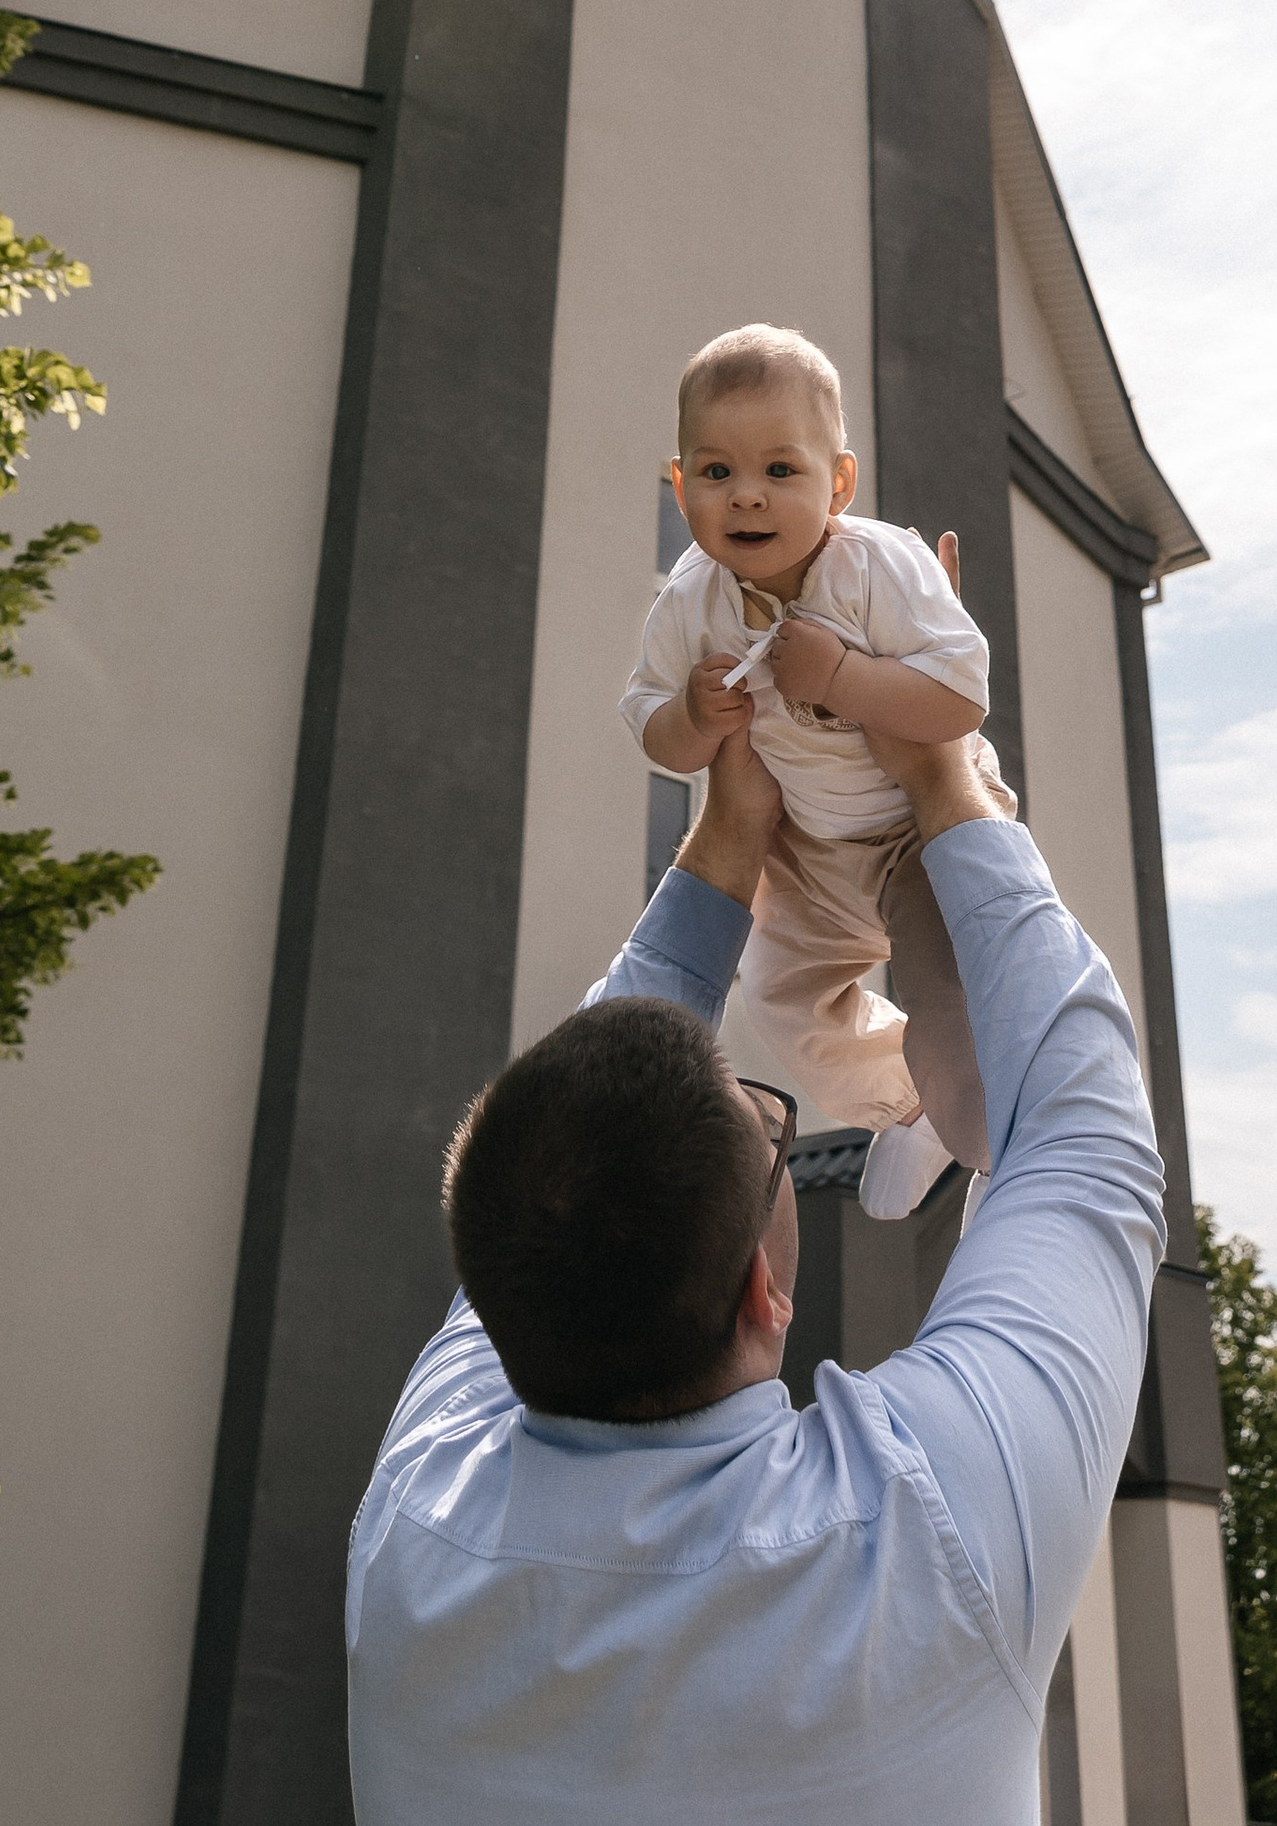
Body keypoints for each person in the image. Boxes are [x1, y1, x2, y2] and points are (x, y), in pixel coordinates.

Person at [346, 715, 1165, 1823]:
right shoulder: (922, 1541)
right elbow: (1085, 1142)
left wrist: (729, 837)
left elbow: (565, 1149)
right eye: (769, 1133)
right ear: (760, 1291)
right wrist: (941, 772)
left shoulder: (418, 1508)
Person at [625, 321, 991, 1217]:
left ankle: (1000, 1141)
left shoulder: (879, 567)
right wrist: (693, 719)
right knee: (783, 1003)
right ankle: (910, 1111)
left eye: (780, 471)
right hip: (805, 855)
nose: (746, 497)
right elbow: (652, 735)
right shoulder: (690, 601)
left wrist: (843, 679)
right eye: (716, 473)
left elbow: (961, 703)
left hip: (914, 831)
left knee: (953, 993)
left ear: (840, 482)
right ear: (681, 489)